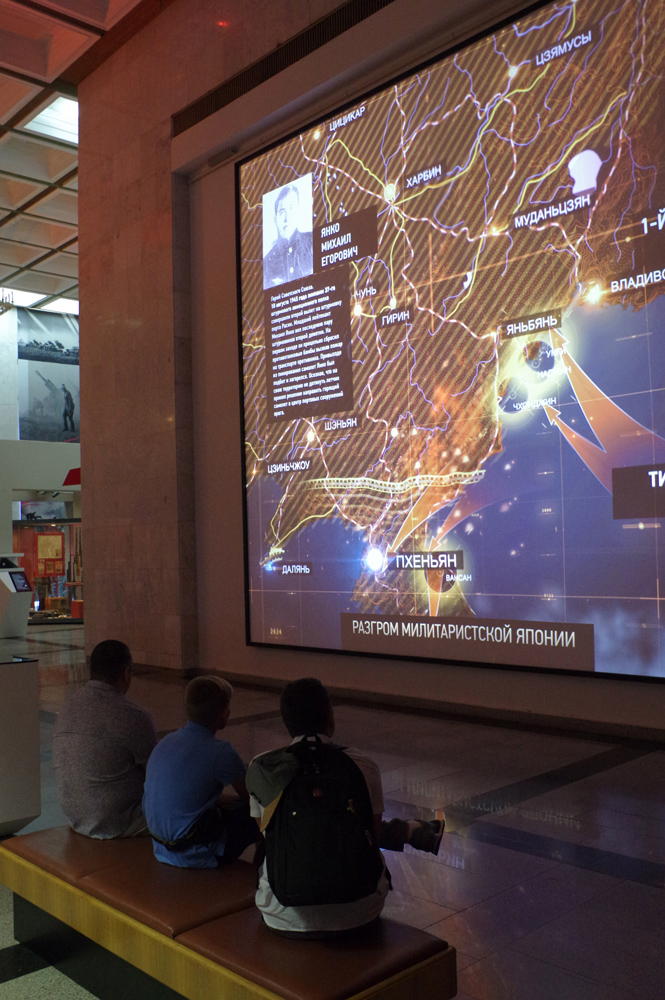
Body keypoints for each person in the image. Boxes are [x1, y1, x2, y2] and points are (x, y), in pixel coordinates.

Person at [246, 678, 443, 938]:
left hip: (282, 917)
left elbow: (267, 835)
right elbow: (372, 834)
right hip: (360, 911)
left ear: (286, 721)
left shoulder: (262, 767)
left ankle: (408, 831)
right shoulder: (363, 764)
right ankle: (410, 830)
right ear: (331, 717)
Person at [143, 676, 257, 868]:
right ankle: (267, 873)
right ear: (225, 713)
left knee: (231, 804)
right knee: (260, 814)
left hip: (161, 849)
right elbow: (253, 797)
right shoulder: (221, 751)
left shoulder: (166, 741)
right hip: (193, 855)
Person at [52, 639, 157, 838]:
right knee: (193, 810)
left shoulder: (68, 706)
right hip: (120, 822)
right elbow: (158, 776)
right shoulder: (132, 716)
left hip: (76, 818)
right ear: (126, 673)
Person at [263, 184, 313, 289]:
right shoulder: (267, 263)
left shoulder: (313, 242)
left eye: (291, 209)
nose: (287, 218)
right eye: (282, 212)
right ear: (275, 220)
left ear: (298, 212)